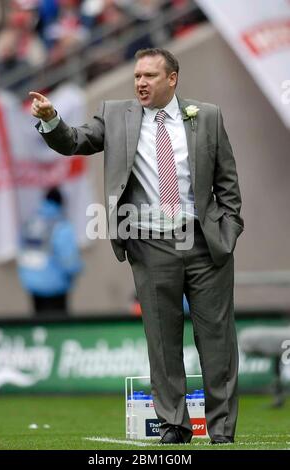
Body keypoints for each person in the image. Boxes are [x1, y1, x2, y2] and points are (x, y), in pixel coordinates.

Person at [29, 48, 244, 444]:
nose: (140, 83)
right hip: (150, 246)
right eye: (137, 77)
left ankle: (222, 430)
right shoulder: (115, 114)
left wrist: (228, 231)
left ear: (172, 79)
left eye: (149, 76)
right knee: (162, 343)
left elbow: (227, 183)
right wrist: (51, 121)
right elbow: (75, 141)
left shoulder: (207, 115)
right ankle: (174, 426)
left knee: (218, 342)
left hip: (204, 244)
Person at [17, 186, 83, 316]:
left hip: (31, 284)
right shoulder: (61, 225)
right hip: (55, 286)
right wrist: (76, 271)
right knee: (57, 328)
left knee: (39, 322)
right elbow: (70, 260)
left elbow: (21, 250)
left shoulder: (30, 222)